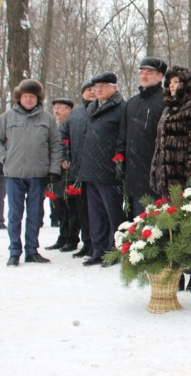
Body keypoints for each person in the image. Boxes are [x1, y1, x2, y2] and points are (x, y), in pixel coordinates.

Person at [0, 79, 63, 266]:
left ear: (38, 98)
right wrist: (5, 157)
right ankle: (15, 251)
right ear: (19, 98)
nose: (29, 99)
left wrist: (54, 170)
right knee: (15, 214)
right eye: (25, 96)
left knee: (35, 215)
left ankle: (32, 250)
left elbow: (56, 145)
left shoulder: (46, 119)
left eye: (32, 96)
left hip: (38, 175)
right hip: (14, 174)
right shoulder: (7, 117)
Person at [150, 66, 191, 291]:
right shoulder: (166, 110)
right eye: (169, 82)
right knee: (171, 227)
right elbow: (159, 146)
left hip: (184, 178)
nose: (172, 86)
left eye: (177, 82)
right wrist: (155, 171)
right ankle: (177, 273)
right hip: (166, 177)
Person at [78, 72, 127, 267]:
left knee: (113, 212)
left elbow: (122, 137)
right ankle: (98, 250)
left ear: (114, 88)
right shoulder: (92, 108)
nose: (97, 90)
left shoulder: (121, 108)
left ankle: (114, 250)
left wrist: (119, 162)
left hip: (109, 169)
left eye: (102, 86)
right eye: (95, 87)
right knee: (95, 213)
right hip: (90, 169)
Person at [116, 57, 167, 217]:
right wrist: (119, 159)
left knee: (154, 226)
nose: (144, 76)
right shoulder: (132, 103)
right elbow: (123, 135)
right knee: (136, 223)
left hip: (155, 176)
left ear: (160, 76)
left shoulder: (166, 101)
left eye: (149, 73)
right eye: (142, 72)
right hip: (132, 175)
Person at [59, 81, 95, 258]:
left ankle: (100, 242)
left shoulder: (102, 110)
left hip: (97, 170)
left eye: (94, 89)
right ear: (82, 94)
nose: (92, 92)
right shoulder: (75, 115)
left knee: (98, 210)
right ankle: (87, 242)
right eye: (88, 90)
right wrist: (65, 156)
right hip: (77, 171)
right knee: (82, 211)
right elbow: (62, 136)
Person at [44, 98, 75, 250]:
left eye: (60, 108)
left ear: (68, 110)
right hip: (55, 172)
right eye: (55, 108)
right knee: (59, 207)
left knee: (71, 208)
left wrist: (65, 158)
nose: (56, 111)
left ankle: (71, 238)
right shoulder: (53, 126)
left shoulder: (72, 124)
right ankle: (62, 237)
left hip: (68, 172)